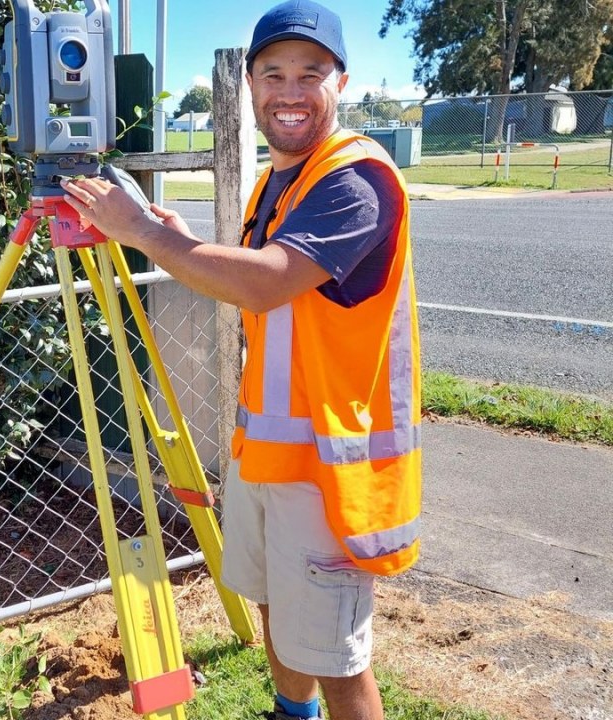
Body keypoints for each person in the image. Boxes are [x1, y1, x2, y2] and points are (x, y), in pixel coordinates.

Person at [60, 1, 422, 718]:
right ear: (248, 84)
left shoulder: (354, 180)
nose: (290, 91)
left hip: (327, 472)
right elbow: (265, 283)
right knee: (274, 613)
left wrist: (139, 233)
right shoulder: (279, 181)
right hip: (269, 455)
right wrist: (178, 234)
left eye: (310, 74)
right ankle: (293, 715)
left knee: (338, 661)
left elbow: (268, 278)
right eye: (273, 73)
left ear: (340, 83)